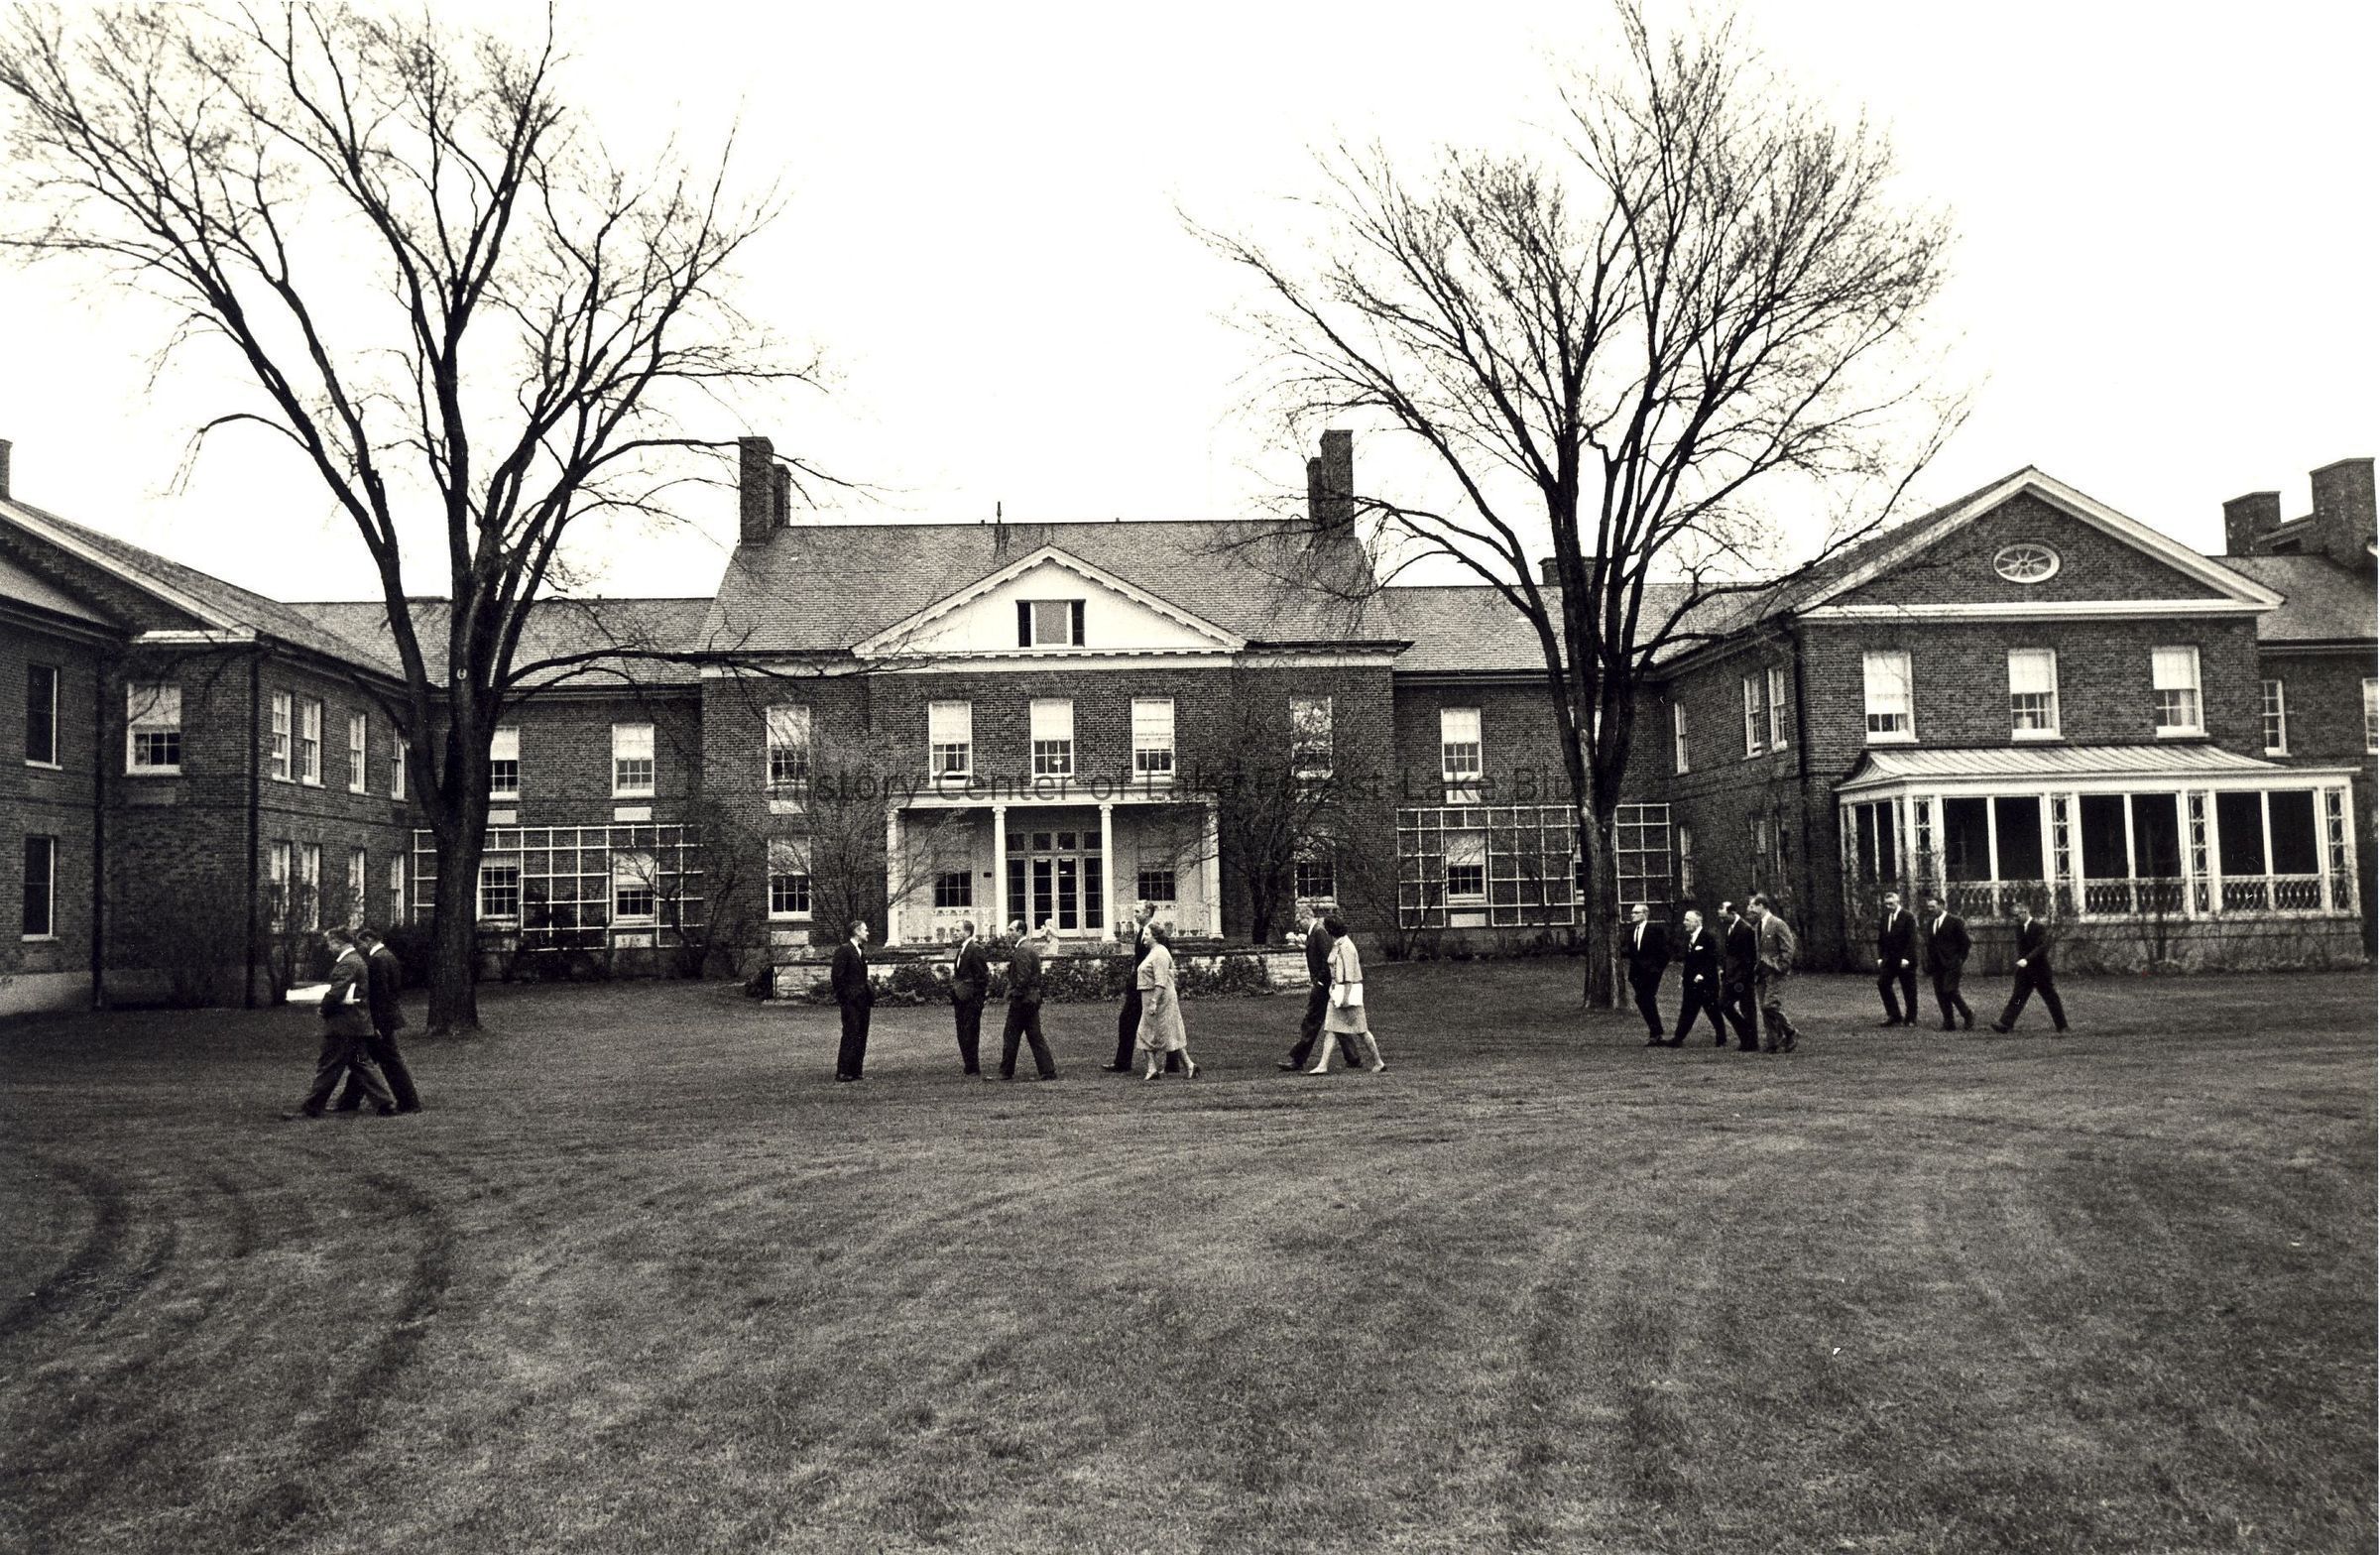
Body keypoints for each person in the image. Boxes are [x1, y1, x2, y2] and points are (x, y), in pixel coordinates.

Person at [282, 926, 396, 1119]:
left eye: (330, 943)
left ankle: (311, 1107)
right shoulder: (356, 960)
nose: (329, 947)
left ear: (338, 942)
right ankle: (385, 1104)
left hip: (344, 1026)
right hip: (357, 1025)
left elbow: (337, 992)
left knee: (329, 1066)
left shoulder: (348, 963)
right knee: (362, 1065)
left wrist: (324, 1008)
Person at [330, 926, 419, 1114]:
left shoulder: (377, 960)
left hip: (380, 1021)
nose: (359, 948)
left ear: (369, 940)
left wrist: (377, 1024)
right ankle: (349, 1101)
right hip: (387, 1018)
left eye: (360, 943)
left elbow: (379, 996)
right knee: (364, 1061)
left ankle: (408, 1103)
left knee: (385, 1063)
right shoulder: (388, 956)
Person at [1105, 901, 1179, 1074]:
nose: (1135, 914)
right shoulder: (1142, 933)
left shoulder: (1157, 935)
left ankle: (1172, 1063)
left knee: (1162, 1023)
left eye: (1138, 911)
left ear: (1148, 913)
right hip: (1139, 986)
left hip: (1150, 988)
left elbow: (1163, 962)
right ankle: (1123, 1062)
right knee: (1129, 1021)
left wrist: (1156, 991)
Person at [1280, 903, 1355, 1072]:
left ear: (1307, 918)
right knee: (1336, 1020)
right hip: (1326, 985)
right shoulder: (1314, 932)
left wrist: (1320, 981)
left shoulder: (1319, 932)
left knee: (1311, 1021)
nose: (1298, 925)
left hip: (1323, 986)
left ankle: (1298, 1060)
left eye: (1299, 921)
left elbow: (1328, 959)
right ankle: (1353, 1057)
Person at [1307, 916, 1386, 1074]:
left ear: (1331, 930)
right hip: (1337, 993)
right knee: (1331, 1029)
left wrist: (1345, 998)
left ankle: (1378, 1062)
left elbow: (1349, 976)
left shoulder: (1346, 947)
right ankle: (1323, 1065)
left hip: (1347, 995)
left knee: (1362, 1030)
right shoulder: (1338, 945)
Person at [1991, 901, 2070, 1035]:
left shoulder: (2039, 928)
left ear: (2025, 912)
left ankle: (2062, 1026)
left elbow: (2041, 947)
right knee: (2018, 997)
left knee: (2051, 998)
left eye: (2017, 915)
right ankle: (2005, 1024)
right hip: (2025, 972)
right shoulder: (2019, 929)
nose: (2015, 919)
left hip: (2040, 970)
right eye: (2013, 916)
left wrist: (2027, 959)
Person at [1134, 922, 1198, 1081]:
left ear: (1155, 937)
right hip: (1151, 998)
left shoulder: (1160, 954)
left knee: (1147, 1033)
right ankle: (1188, 1065)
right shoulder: (1154, 952)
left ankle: (1153, 1069)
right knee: (1167, 1033)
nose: (1144, 938)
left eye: (1147, 935)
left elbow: (1161, 981)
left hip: (1161, 1000)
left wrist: (1154, 1001)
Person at [1000, 918, 1058, 1080]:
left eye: (1011, 930)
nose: (1008, 933)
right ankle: (1047, 1070)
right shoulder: (1027, 947)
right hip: (1030, 999)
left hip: (1023, 1000)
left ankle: (1006, 1071)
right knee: (1034, 1035)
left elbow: (1023, 978)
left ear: (1020, 932)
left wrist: (1015, 994)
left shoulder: (1023, 950)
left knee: (1011, 1035)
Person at [1745, 894, 1800, 1053]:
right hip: (1761, 972)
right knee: (1764, 1008)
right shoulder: (1757, 926)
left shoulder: (1777, 924)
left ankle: (1790, 1031)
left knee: (1770, 1005)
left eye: (1752, 906)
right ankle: (1773, 1042)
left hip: (1775, 972)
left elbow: (1788, 948)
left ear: (1761, 906)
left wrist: (1781, 967)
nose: (1750, 909)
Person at [1917, 890, 1974, 1031]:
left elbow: (1965, 943)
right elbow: (1930, 944)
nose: (1930, 909)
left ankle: (1968, 1014)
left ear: (1942, 906)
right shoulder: (1930, 923)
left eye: (1933, 906)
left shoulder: (1955, 921)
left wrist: (1959, 959)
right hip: (1936, 964)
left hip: (1952, 963)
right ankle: (1949, 1022)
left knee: (1950, 990)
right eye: (1928, 907)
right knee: (1940, 992)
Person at [1671, 908, 1727, 1047]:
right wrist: (1684, 976)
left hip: (1707, 983)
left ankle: (1721, 1037)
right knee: (1687, 1010)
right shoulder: (1689, 938)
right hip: (1691, 982)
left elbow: (1711, 959)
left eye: (1687, 920)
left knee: (1712, 1010)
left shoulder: (1707, 937)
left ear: (1697, 922)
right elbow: (1689, 961)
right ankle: (1678, 1038)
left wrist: (1701, 974)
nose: (1684, 922)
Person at [1619, 901, 1670, 1046]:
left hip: (1651, 973)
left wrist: (1656, 969)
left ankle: (1656, 1033)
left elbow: (1665, 952)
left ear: (1645, 914)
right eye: (1632, 913)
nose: (1632, 915)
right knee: (1642, 1000)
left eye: (1636, 913)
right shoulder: (1631, 932)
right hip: (1636, 974)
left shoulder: (1655, 931)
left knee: (1647, 999)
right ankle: (1656, 1031)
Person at [830, 918, 874, 1082]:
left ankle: (856, 1071)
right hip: (851, 1002)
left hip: (863, 1000)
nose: (867, 933)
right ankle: (843, 1071)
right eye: (865, 930)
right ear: (857, 931)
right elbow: (837, 977)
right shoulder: (844, 950)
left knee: (861, 1034)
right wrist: (846, 997)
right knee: (850, 1033)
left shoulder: (860, 951)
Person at [1717, 900, 1760, 1052]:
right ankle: (1746, 1036)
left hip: (1741, 979)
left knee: (1747, 1009)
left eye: (1723, 917)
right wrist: (1725, 970)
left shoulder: (1745, 929)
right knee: (1724, 1004)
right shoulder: (1731, 928)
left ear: (1733, 913)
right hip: (1731, 976)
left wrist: (1741, 978)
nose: (1721, 920)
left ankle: (1751, 1042)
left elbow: (1749, 958)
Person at [948, 920, 990, 1076]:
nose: (955, 933)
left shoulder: (975, 950)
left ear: (967, 932)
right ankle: (969, 1065)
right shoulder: (962, 950)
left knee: (970, 1032)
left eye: (958, 930)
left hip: (972, 1000)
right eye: (954, 930)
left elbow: (982, 977)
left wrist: (977, 999)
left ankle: (973, 1066)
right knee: (962, 1032)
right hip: (961, 999)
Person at [1872, 891, 1919, 1027]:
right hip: (1889, 959)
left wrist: (1906, 958)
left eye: (1891, 904)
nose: (1889, 906)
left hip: (1904, 960)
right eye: (1886, 904)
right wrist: (1880, 957)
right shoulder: (1885, 917)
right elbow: (1881, 939)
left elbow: (1912, 939)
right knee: (1882, 983)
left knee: (1908, 988)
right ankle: (1894, 1015)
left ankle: (1911, 1018)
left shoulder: (1908, 917)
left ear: (1897, 902)